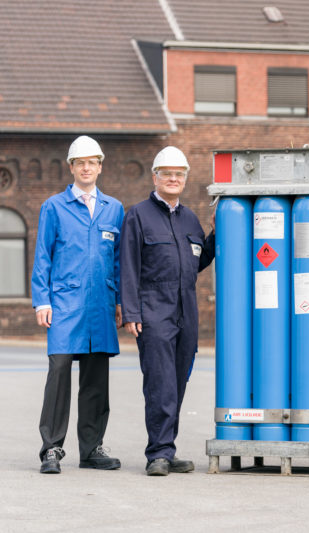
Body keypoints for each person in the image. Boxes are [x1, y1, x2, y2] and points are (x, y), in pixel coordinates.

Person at [31, 135, 124, 474]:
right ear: (72, 167)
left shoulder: (113, 208)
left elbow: (117, 261)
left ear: (100, 167)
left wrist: (120, 302)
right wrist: (42, 300)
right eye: (80, 162)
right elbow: (43, 255)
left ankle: (91, 448)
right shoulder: (53, 207)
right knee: (58, 372)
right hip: (65, 303)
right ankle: (52, 448)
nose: (87, 168)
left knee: (97, 378)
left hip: (101, 304)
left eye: (93, 162)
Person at [120, 146, 215, 476]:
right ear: (155, 177)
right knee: (160, 382)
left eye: (179, 174)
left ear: (185, 179)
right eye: (167, 174)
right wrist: (132, 312)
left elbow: (198, 260)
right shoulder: (138, 215)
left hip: (186, 310)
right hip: (154, 310)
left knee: (178, 380)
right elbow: (128, 267)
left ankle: (168, 447)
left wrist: (217, 234)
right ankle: (157, 453)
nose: (173, 179)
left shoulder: (189, 218)